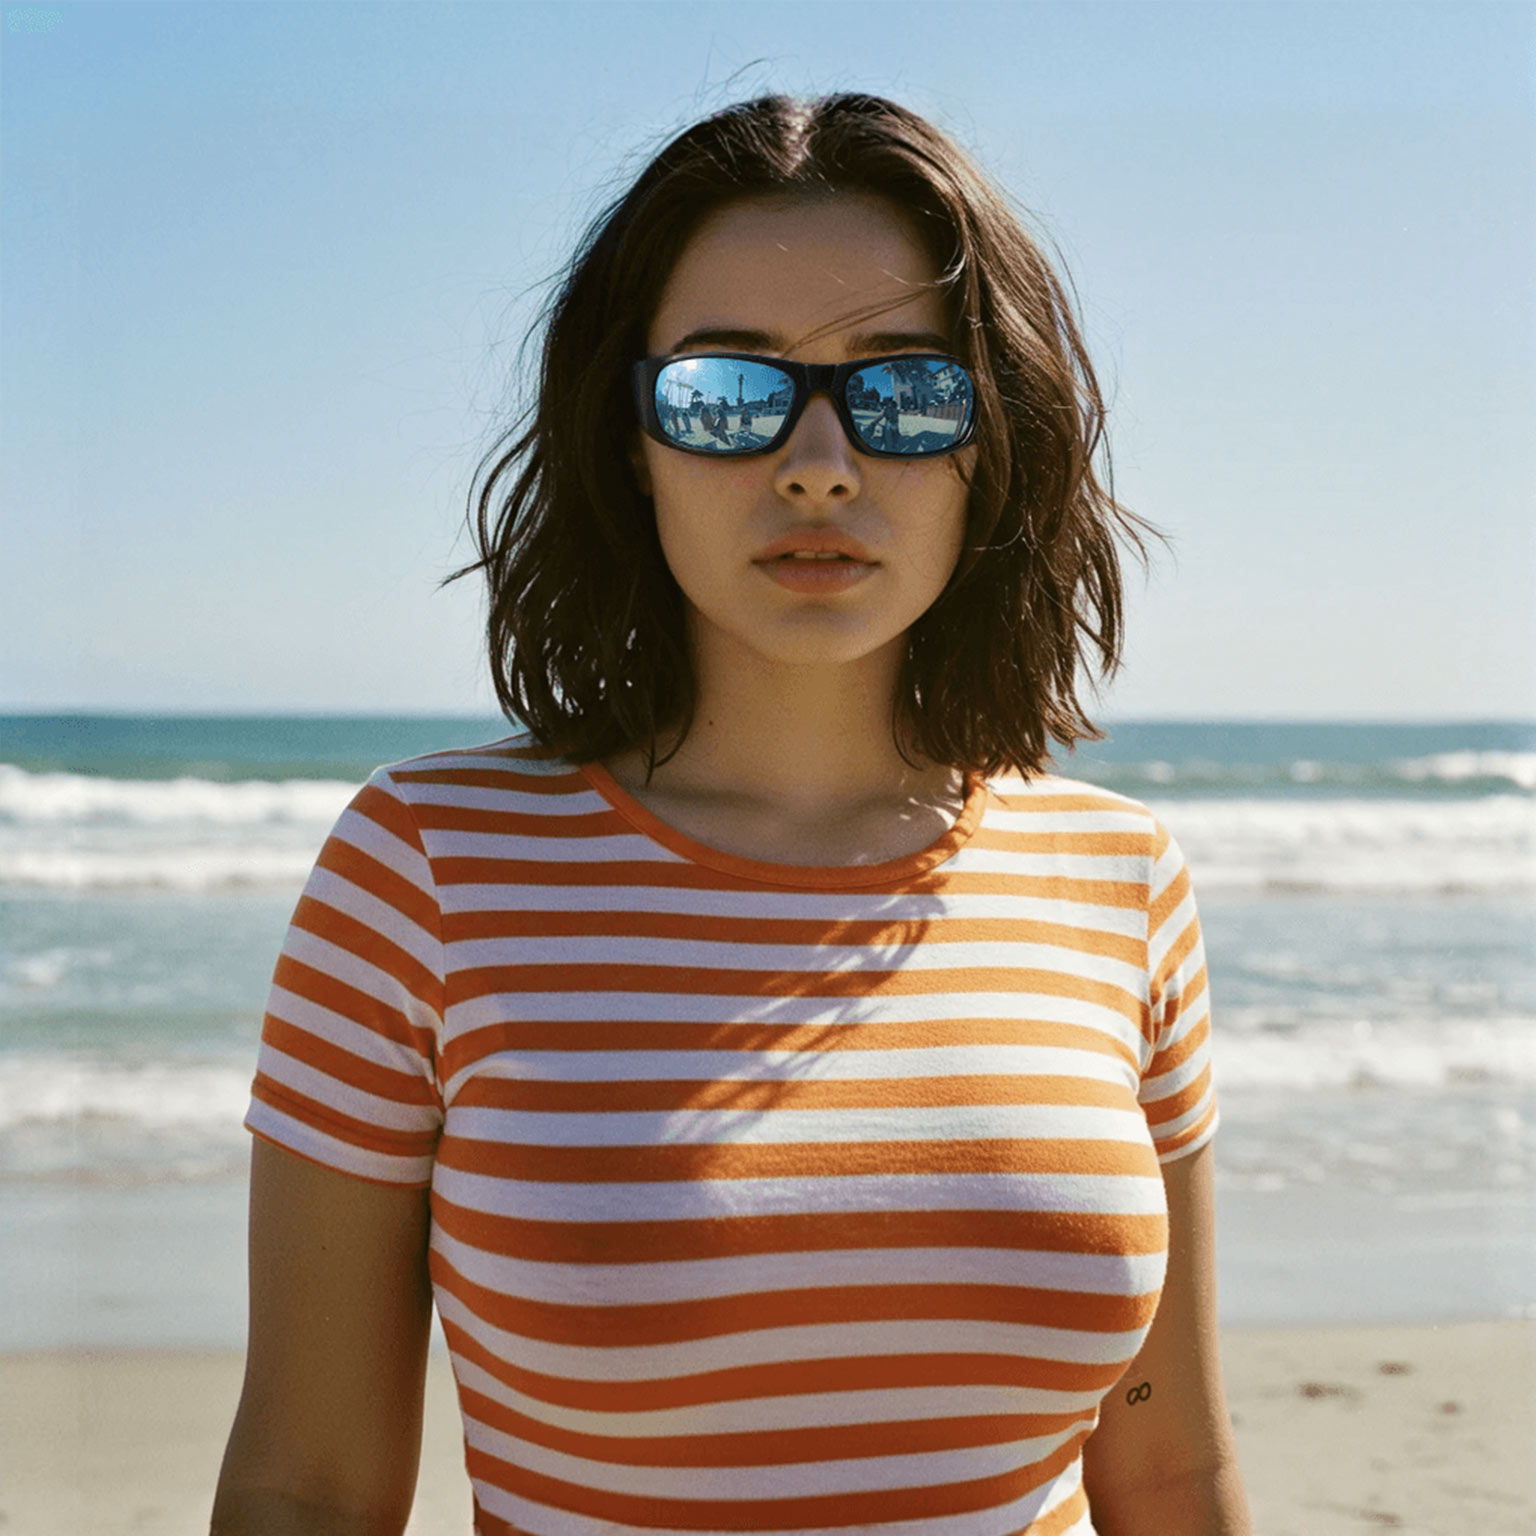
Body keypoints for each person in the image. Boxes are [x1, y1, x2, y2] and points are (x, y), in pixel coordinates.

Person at [212, 93, 1252, 1536]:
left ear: (991, 441)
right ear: (632, 438)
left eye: (905, 390)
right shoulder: (428, 871)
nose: (818, 459)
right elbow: (306, 1488)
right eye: (727, 392)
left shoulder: (1120, 879)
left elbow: (1169, 1471)